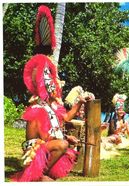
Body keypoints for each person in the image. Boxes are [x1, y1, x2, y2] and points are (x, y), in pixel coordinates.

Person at [11, 5, 94, 182]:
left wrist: (80, 101)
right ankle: (37, 177)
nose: (57, 88)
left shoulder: (51, 107)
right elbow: (45, 137)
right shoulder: (37, 109)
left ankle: (43, 177)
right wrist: (64, 140)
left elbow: (67, 117)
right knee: (62, 146)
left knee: (64, 146)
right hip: (36, 156)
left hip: (48, 150)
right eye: (54, 83)